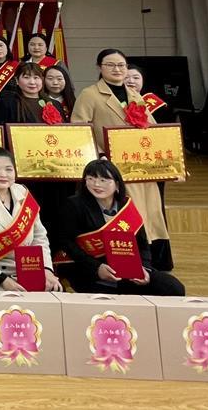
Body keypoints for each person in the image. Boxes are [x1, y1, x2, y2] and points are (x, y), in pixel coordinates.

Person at [73, 48, 174, 271]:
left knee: (150, 212)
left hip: (142, 166)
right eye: (110, 65)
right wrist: (101, 156)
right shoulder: (89, 94)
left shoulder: (135, 95)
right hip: (111, 169)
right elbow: (79, 129)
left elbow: (154, 130)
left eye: (121, 65)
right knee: (127, 212)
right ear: (99, 68)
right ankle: (125, 259)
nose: (117, 69)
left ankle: (149, 260)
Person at [56, 160, 184, 296]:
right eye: (91, 179)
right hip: (90, 269)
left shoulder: (125, 205)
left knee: (173, 288)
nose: (97, 184)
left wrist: (143, 268)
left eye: (104, 180)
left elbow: (142, 244)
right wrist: (97, 268)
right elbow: (66, 243)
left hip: (128, 269)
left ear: (117, 184)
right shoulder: (74, 205)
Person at [0, 146, 63, 292]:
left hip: (29, 268)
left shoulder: (22, 192)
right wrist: (3, 280)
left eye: (8, 169)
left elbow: (39, 236)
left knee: (54, 291)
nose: (3, 174)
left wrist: (46, 270)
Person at [0, 63, 68, 125]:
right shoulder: (7, 104)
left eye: (36, 77)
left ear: (42, 80)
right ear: (17, 80)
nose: (32, 82)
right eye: (26, 77)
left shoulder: (55, 104)